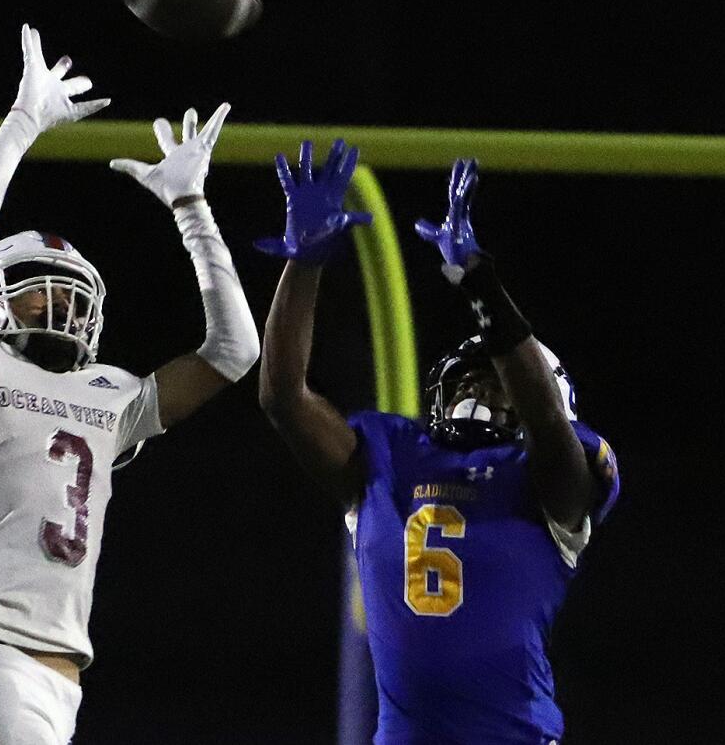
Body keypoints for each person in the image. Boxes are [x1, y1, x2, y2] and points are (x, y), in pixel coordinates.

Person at [0, 24, 259, 745]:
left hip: (59, 683)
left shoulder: (103, 396)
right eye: (33, 292)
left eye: (68, 295)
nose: (57, 305)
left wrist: (192, 209)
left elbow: (234, 351)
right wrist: (23, 124)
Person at [255, 144, 620, 744]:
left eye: (498, 381)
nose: (479, 390)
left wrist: (480, 282)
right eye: (471, 378)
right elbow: (282, 397)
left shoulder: (549, 478)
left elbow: (550, 427)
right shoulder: (388, 456)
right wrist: (307, 260)